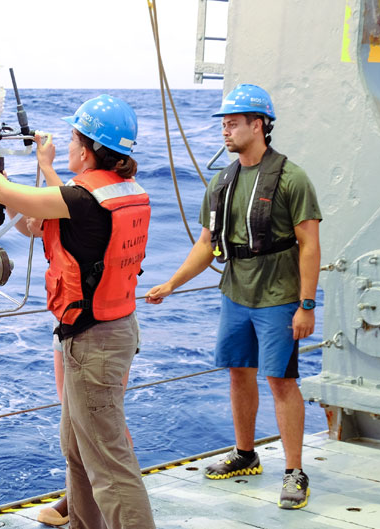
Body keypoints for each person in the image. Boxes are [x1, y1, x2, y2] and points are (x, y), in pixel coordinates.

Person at [0, 94, 155, 529]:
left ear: (90, 149)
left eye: (76, 138)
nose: (71, 145)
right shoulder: (122, 191)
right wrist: (46, 165)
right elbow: (59, 208)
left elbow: (4, 192)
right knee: (78, 447)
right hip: (109, 330)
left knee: (110, 466)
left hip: (93, 342)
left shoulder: (83, 199)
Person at [146, 83, 321, 510]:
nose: (225, 132)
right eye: (223, 125)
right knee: (238, 372)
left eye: (233, 124)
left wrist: (306, 304)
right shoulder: (222, 181)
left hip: (279, 298)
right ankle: (246, 455)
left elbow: (310, 245)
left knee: (281, 381)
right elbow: (207, 244)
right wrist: (171, 283)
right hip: (235, 295)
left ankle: (295, 472)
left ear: (258, 125)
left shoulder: (292, 178)